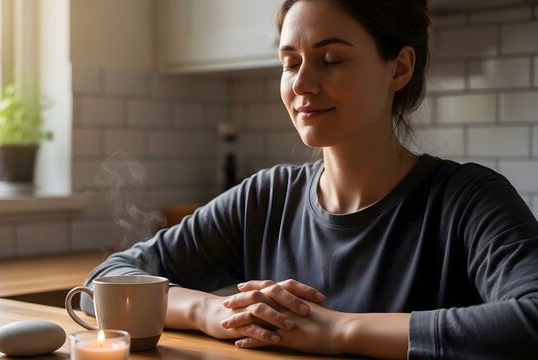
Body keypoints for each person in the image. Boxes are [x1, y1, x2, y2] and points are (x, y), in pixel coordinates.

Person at [83, 0, 538, 358]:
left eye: (331, 58)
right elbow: (104, 283)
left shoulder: (468, 200)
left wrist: (339, 329)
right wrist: (210, 310)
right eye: (290, 61)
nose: (302, 83)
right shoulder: (264, 198)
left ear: (399, 68)